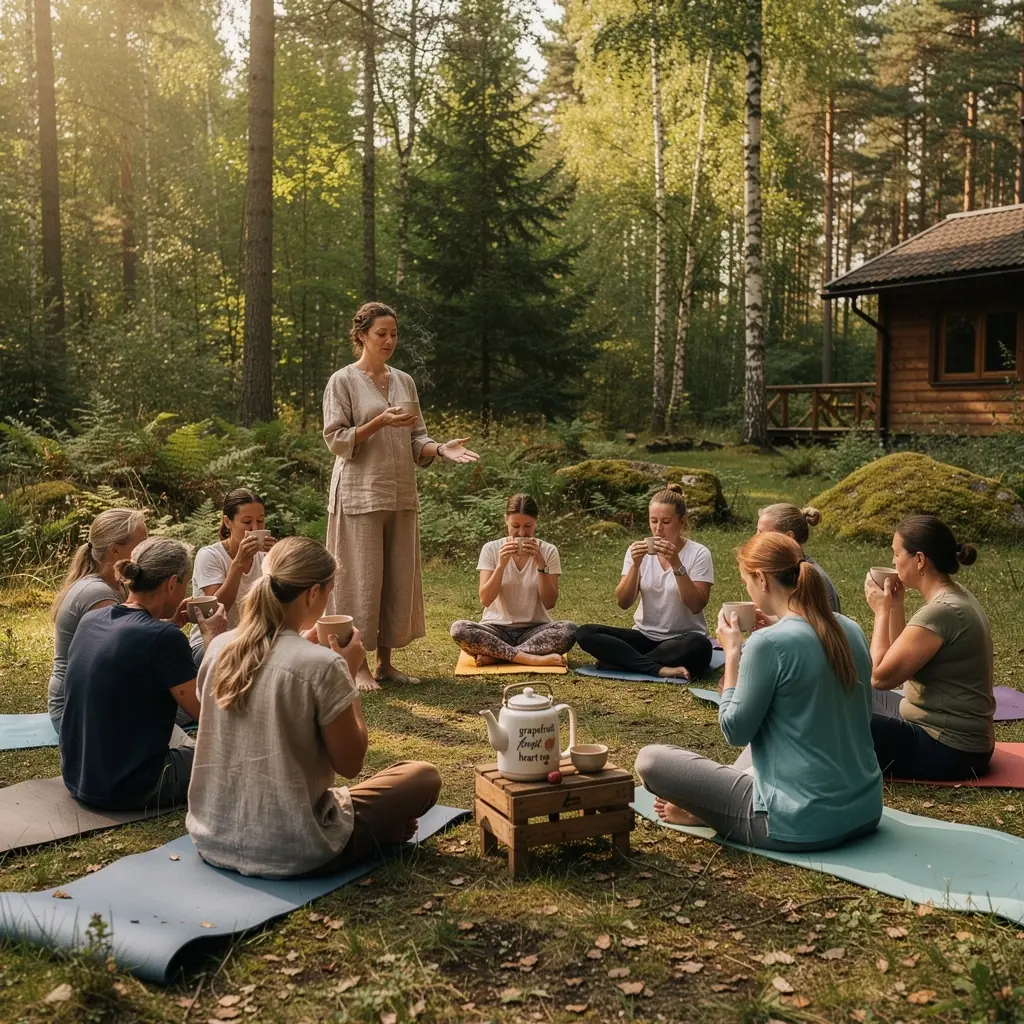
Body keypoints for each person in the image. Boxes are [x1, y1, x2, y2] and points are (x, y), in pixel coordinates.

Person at [186, 537, 443, 879]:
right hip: (293, 845)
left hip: (212, 836)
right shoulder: (322, 665)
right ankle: (374, 835)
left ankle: (376, 832)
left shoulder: (220, 646)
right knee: (423, 777)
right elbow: (351, 764)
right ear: (313, 594)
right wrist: (347, 677)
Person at [636, 532, 882, 851]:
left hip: (797, 823)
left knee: (650, 760)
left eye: (747, 582)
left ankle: (707, 811)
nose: (748, 591)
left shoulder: (766, 644)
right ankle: (712, 804)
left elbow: (735, 730)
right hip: (863, 810)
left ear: (762, 580)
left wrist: (734, 653)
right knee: (766, 739)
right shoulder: (849, 627)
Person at [323, 301, 479, 690]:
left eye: (394, 333)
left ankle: (385, 664)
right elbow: (336, 438)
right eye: (382, 333)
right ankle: (355, 666)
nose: (390, 340)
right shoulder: (342, 381)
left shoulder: (404, 381)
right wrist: (378, 421)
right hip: (359, 493)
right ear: (361, 335)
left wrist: (441, 448)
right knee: (360, 580)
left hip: (400, 491)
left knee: (394, 578)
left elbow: (417, 438)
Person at [61, 538, 226, 811]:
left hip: (79, 775)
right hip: (132, 787)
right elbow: (209, 713)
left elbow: (138, 646)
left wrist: (168, 624)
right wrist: (213, 639)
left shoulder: (92, 620)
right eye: (184, 582)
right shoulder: (164, 638)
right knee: (234, 751)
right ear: (172, 584)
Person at [865, 515, 994, 781]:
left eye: (896, 553)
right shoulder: (956, 596)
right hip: (955, 741)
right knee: (853, 695)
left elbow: (880, 676)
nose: (892, 561)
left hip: (948, 748)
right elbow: (898, 660)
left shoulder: (941, 612)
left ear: (920, 559)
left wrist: (881, 612)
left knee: (834, 721)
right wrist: (897, 605)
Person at [576, 485, 714, 679]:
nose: (658, 529)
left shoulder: (699, 553)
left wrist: (676, 564)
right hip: (644, 636)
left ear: (681, 522)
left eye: (666, 522)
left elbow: (696, 605)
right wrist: (635, 565)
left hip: (681, 640)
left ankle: (624, 662)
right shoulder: (636, 551)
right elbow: (623, 603)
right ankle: (656, 668)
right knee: (585, 633)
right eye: (653, 521)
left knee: (700, 646)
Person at [48, 508, 148, 734]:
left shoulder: (118, 584)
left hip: (91, 697)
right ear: (115, 551)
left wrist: (174, 621)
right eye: (141, 543)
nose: (147, 549)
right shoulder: (97, 594)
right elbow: (124, 656)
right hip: (74, 711)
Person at [449, 493, 577, 667]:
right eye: (515, 526)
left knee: (568, 630)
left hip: (535, 629)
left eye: (528, 526)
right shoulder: (491, 549)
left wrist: (541, 564)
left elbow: (549, 603)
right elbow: (485, 599)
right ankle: (529, 658)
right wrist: (501, 565)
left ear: (536, 523)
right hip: (496, 628)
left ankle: (497, 655)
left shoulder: (548, 551)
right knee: (459, 629)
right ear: (506, 521)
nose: (521, 533)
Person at [189, 488, 274, 667]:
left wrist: (278, 560)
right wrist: (237, 564)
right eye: (247, 522)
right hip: (209, 642)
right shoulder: (210, 556)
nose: (256, 529)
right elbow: (216, 611)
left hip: (252, 638)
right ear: (228, 522)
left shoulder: (264, 556)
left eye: (260, 521)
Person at [756, 503, 840, 612]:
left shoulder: (805, 577)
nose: (756, 538)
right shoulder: (789, 570)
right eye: (757, 531)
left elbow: (810, 626)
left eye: (762, 533)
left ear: (789, 537)